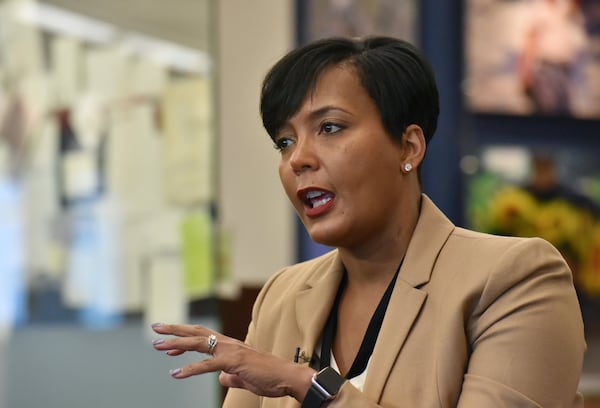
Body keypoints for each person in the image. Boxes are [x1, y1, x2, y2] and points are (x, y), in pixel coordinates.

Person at [152, 36, 586, 407]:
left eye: (330, 127)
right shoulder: (281, 297)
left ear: (408, 147)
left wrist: (307, 385)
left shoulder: (514, 278)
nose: (298, 158)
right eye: (284, 141)